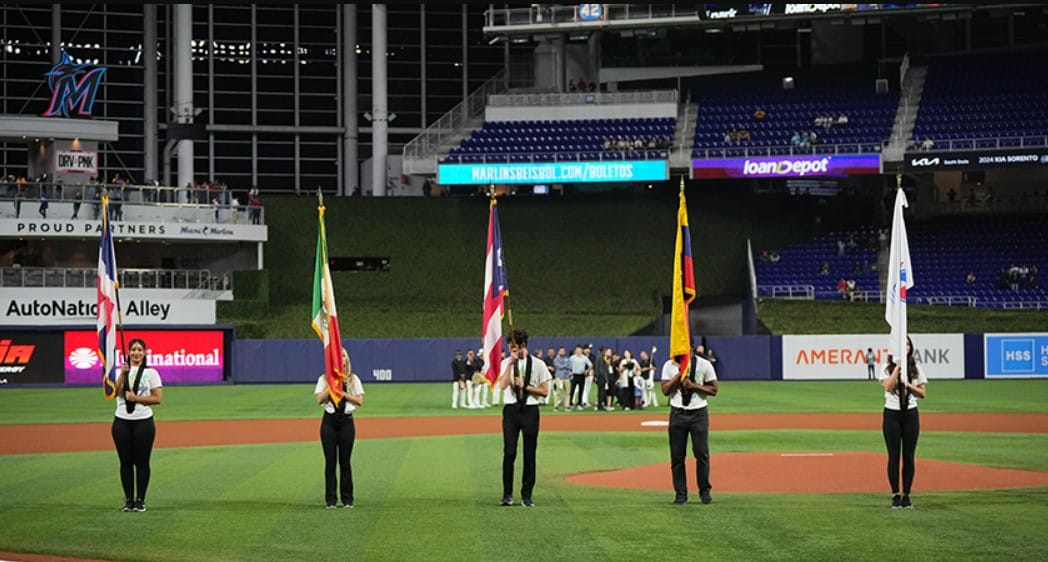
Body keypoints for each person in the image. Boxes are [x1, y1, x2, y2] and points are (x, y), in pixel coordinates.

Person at [498, 328, 551, 507]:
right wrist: (511, 363)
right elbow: (503, 385)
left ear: (522, 346)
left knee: (529, 454)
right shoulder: (506, 362)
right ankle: (507, 495)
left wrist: (526, 387)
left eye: (514, 347)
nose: (511, 350)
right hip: (511, 411)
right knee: (509, 452)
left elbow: (545, 391)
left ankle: (527, 495)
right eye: (509, 347)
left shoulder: (538, 364)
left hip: (530, 410)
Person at [111, 338, 163, 512]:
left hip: (143, 422)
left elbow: (157, 398)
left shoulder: (151, 373)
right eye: (133, 349)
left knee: (142, 462)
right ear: (129, 353)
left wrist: (137, 398)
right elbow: (114, 393)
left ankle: (140, 500)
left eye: (139, 350)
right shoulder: (122, 370)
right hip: (122, 421)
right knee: (125, 462)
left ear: (145, 352)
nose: (136, 353)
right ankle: (128, 500)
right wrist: (122, 374)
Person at [661, 347, 718, 505]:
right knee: (677, 457)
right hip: (678, 412)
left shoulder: (704, 365)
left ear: (691, 349)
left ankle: (704, 491)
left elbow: (714, 389)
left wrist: (693, 386)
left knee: (702, 454)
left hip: (698, 413)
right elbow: (665, 390)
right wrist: (679, 376)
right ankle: (680, 494)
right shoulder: (669, 366)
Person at [879, 337, 926, 509]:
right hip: (892, 413)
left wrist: (908, 385)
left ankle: (907, 494)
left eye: (907, 344)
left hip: (910, 414)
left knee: (909, 455)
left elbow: (923, 393)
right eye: (901, 345)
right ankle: (895, 494)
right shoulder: (885, 368)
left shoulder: (916, 368)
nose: (905, 347)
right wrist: (898, 366)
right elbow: (889, 386)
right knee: (893, 456)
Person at [315, 348, 364, 508]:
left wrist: (343, 393)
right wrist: (332, 386)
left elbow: (359, 401)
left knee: (345, 461)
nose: (341, 358)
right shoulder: (324, 379)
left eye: (343, 355)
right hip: (329, 422)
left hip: (346, 423)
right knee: (330, 461)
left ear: (346, 360)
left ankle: (347, 499)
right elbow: (319, 400)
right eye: (337, 355)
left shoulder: (353, 379)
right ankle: (330, 500)